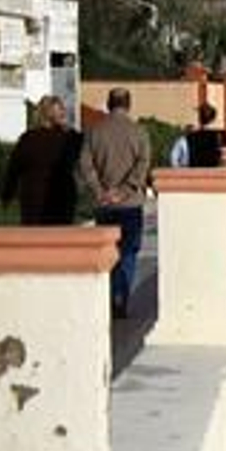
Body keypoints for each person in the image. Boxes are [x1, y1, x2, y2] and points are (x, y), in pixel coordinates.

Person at [78, 88, 152, 319]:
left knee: (107, 253)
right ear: (128, 105)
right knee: (128, 253)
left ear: (109, 104)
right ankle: (121, 298)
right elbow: (143, 165)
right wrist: (125, 190)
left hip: (104, 205)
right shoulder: (139, 132)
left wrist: (100, 191)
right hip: (129, 204)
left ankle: (110, 296)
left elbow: (85, 164)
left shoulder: (94, 131)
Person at [1, 95, 81, 225]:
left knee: (33, 241)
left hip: (34, 199)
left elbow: (13, 169)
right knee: (61, 240)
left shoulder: (28, 138)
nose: (63, 113)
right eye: (61, 110)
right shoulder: (70, 138)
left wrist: (7, 195)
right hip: (62, 197)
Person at [176, 102, 226, 167]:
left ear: (199, 118)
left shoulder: (191, 136)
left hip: (194, 172)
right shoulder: (220, 135)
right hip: (214, 172)